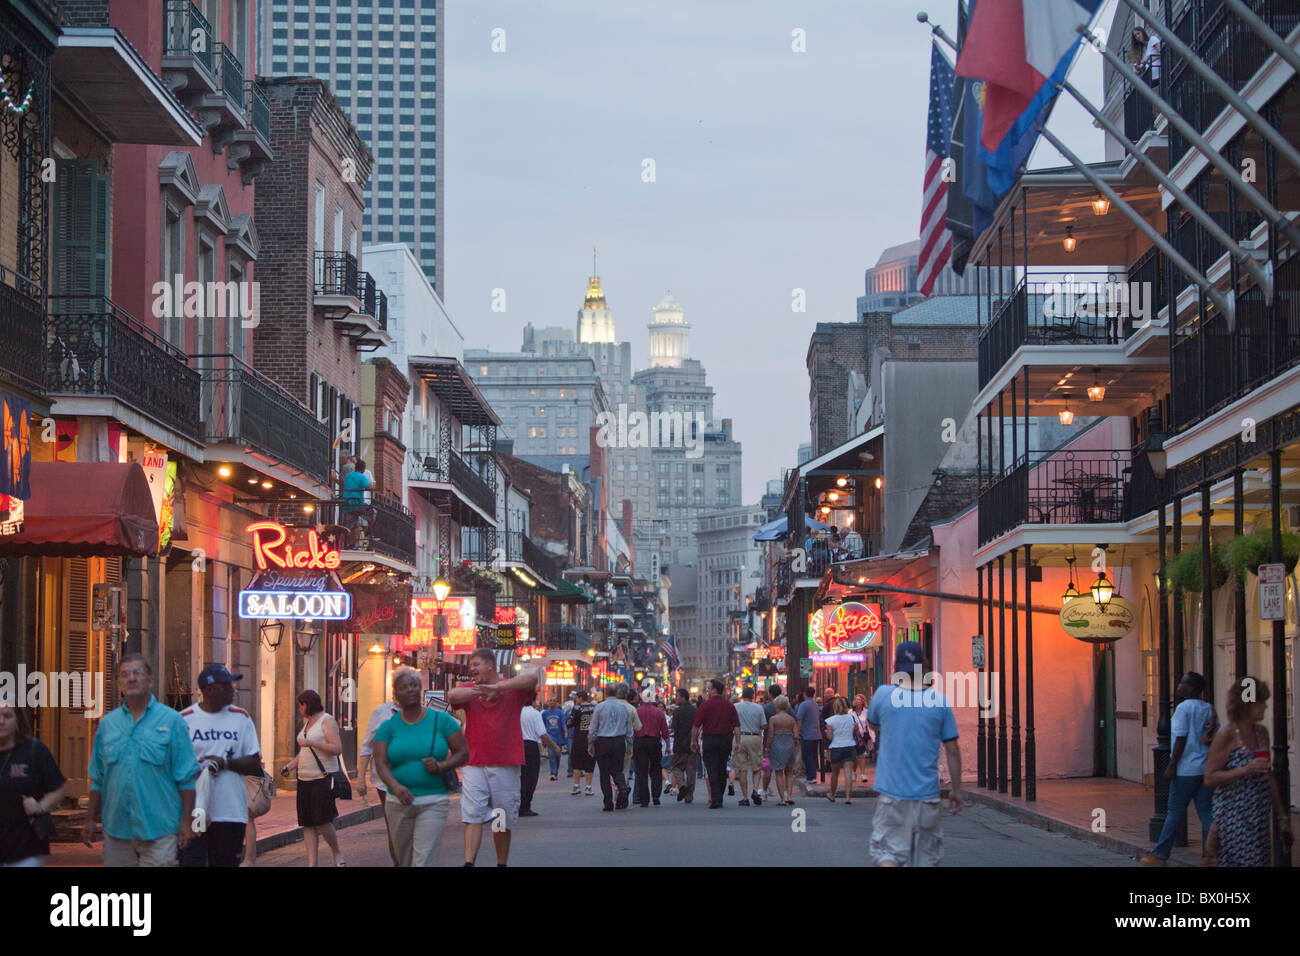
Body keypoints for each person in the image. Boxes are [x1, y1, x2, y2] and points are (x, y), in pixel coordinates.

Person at [84, 654, 199, 866]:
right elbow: (98, 778)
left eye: (138, 673)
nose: (131, 678)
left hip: (160, 828)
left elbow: (186, 778)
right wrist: (91, 819)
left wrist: (187, 821)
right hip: (117, 828)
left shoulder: (172, 721)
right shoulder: (108, 725)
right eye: (125, 674)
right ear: (119, 683)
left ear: (150, 680)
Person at [866, 642, 963, 866]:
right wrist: (956, 790)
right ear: (925, 667)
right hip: (927, 796)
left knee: (887, 854)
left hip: (892, 795)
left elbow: (872, 723)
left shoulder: (883, 695)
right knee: (926, 860)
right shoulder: (939, 702)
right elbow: (953, 750)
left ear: (896, 667)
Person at [446, 648, 539, 866]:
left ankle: (501, 863)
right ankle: (469, 862)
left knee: (500, 817)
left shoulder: (512, 690)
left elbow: (532, 678)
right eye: (471, 664)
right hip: (474, 763)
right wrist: (482, 691)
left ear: (490, 665)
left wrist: (497, 688)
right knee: (473, 815)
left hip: (505, 763)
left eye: (476, 664)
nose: (472, 669)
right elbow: (452, 696)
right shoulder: (471, 689)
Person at [371, 667, 468, 866]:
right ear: (395, 693)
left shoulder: (441, 720)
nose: (410, 690)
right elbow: (380, 762)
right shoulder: (388, 727)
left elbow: (463, 753)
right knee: (403, 859)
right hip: (398, 803)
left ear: (420, 689)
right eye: (404, 687)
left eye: (414, 685)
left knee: (423, 860)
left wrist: (442, 765)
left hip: (433, 801)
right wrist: (396, 787)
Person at [179, 664, 262, 867]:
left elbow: (254, 764)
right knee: (192, 861)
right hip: (195, 810)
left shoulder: (241, 718)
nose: (232, 689)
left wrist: (226, 763)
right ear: (208, 690)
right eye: (226, 686)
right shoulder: (185, 720)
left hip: (230, 811)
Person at [1204, 676, 1291, 867]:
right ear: (1247, 704)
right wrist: (1245, 769)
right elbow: (1210, 778)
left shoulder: (1261, 733)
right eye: (1261, 703)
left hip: (1258, 814)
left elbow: (1269, 775)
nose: (1264, 707)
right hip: (1233, 817)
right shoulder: (1227, 734)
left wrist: (1282, 815)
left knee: (1260, 860)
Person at [1141, 672, 1217, 866]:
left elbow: (1180, 739)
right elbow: (1213, 733)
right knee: (1206, 812)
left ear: (1191, 688)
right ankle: (1209, 855)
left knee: (1174, 813)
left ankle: (1160, 855)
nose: (1178, 686)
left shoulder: (1183, 709)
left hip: (1185, 769)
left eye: (1182, 683)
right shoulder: (1208, 708)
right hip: (1204, 767)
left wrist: (1172, 765)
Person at [280, 689, 347, 867]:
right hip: (304, 779)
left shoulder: (327, 720)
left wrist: (313, 742)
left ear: (307, 704)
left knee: (323, 820)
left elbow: (337, 749)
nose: (299, 709)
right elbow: (304, 752)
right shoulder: (307, 724)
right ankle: (312, 862)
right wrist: (289, 766)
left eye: (300, 705)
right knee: (308, 823)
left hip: (322, 777)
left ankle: (336, 852)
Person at [0, 705, 66, 867]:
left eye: (7, 716)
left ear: (18, 721)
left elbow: (58, 787)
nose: (1, 721)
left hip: (26, 847)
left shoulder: (34, 750)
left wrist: (41, 806)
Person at [357, 686, 403, 866]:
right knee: (394, 827)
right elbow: (367, 746)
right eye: (401, 685)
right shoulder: (381, 713)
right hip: (386, 782)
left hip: (415, 779)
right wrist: (360, 777)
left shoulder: (422, 713)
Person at [691, 679, 740, 810]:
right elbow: (736, 726)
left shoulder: (705, 705)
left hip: (710, 740)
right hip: (725, 740)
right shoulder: (729, 706)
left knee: (712, 769)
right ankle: (719, 797)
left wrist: (693, 740)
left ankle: (716, 799)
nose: (707, 690)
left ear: (714, 690)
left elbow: (696, 725)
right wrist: (737, 742)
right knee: (722, 768)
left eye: (709, 688)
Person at [589, 683, 638, 811]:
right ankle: (622, 787)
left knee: (604, 773)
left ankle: (608, 802)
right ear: (616, 693)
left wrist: (591, 743)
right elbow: (629, 729)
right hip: (619, 741)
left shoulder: (599, 707)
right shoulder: (624, 708)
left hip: (603, 741)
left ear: (605, 693)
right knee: (617, 769)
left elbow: (593, 728)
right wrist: (630, 745)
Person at [520, 694, 560, 817]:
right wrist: (554, 746)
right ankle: (525, 806)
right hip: (531, 746)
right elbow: (543, 733)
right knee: (531, 777)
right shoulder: (535, 714)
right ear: (533, 700)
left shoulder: (518, 712)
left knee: (521, 777)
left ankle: (519, 804)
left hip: (518, 745)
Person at [633, 691, 670, 807]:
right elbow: (665, 731)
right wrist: (668, 746)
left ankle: (644, 799)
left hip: (640, 741)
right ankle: (656, 796)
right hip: (654, 742)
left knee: (641, 771)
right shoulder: (659, 712)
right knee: (656, 769)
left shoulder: (637, 711)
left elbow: (632, 729)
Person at [733, 685, 767, 806]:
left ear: (742, 696)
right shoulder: (759, 708)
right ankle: (755, 790)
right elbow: (764, 725)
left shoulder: (735, 707)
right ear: (753, 696)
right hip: (754, 737)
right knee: (756, 767)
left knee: (742, 768)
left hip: (739, 737)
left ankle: (745, 797)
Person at [823, 697, 859, 805]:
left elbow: (830, 737)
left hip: (836, 747)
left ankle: (832, 794)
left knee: (835, 773)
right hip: (849, 746)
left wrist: (826, 732)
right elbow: (856, 731)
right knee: (848, 772)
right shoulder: (852, 718)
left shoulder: (830, 720)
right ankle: (848, 797)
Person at [765, 696, 798, 806]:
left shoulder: (773, 719)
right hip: (789, 744)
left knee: (779, 772)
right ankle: (789, 796)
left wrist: (767, 748)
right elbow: (796, 735)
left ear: (777, 706)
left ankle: (782, 799)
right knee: (789, 771)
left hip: (777, 745)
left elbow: (770, 735)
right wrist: (795, 745)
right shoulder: (791, 719)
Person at [670, 688, 698, 802]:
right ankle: (689, 795)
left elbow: (674, 728)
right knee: (691, 770)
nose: (676, 698)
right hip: (692, 743)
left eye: (677, 696)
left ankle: (682, 785)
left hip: (680, 743)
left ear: (683, 697)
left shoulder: (677, 711)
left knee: (676, 767)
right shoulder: (695, 710)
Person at [568, 690, 596, 795]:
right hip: (591, 739)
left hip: (578, 739)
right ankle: (588, 787)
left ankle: (576, 786)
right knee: (590, 763)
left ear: (580, 698)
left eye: (576, 697)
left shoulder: (576, 709)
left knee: (576, 763)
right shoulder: (594, 708)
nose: (575, 699)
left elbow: (569, 723)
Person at [795, 685, 821, 784]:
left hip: (806, 734)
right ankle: (813, 775)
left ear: (805, 694)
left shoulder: (804, 705)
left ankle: (810, 776)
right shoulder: (815, 704)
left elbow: (799, 719)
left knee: (807, 756)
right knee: (814, 755)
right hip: (816, 733)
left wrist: (797, 732)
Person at [761, 683, 782, 798]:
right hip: (784, 740)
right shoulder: (787, 707)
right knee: (781, 769)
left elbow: (763, 725)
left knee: (767, 768)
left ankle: (764, 790)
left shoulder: (767, 708)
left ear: (770, 694)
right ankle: (784, 794)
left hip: (770, 740)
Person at [541, 697, 568, 781]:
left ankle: (555, 771)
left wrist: (565, 732)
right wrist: (543, 738)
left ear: (557, 703)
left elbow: (563, 723)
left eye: (553, 701)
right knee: (551, 755)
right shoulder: (545, 713)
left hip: (559, 737)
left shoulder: (560, 713)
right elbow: (543, 725)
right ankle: (553, 773)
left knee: (557, 755)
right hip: (550, 737)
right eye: (550, 701)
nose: (551, 702)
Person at [851, 693, 873, 785]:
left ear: (863, 702)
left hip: (863, 736)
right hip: (853, 736)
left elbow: (869, 725)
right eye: (856, 699)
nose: (858, 701)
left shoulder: (866, 712)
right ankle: (853, 772)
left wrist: (872, 737)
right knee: (855, 756)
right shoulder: (850, 712)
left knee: (862, 755)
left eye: (859, 700)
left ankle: (863, 774)